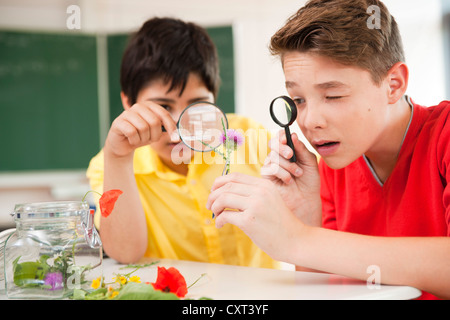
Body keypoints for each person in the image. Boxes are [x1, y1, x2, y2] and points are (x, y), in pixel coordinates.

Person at [206, 0, 450, 299]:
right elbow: (329, 292)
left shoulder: (444, 136)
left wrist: (298, 238)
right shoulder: (333, 167)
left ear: (394, 84)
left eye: (332, 95)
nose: (309, 121)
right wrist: (306, 215)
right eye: (298, 100)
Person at [87, 17, 277, 269]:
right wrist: (119, 159)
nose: (180, 130)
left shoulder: (249, 135)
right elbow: (124, 253)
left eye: (197, 105)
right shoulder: (109, 163)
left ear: (214, 98)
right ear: (127, 103)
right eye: (163, 106)